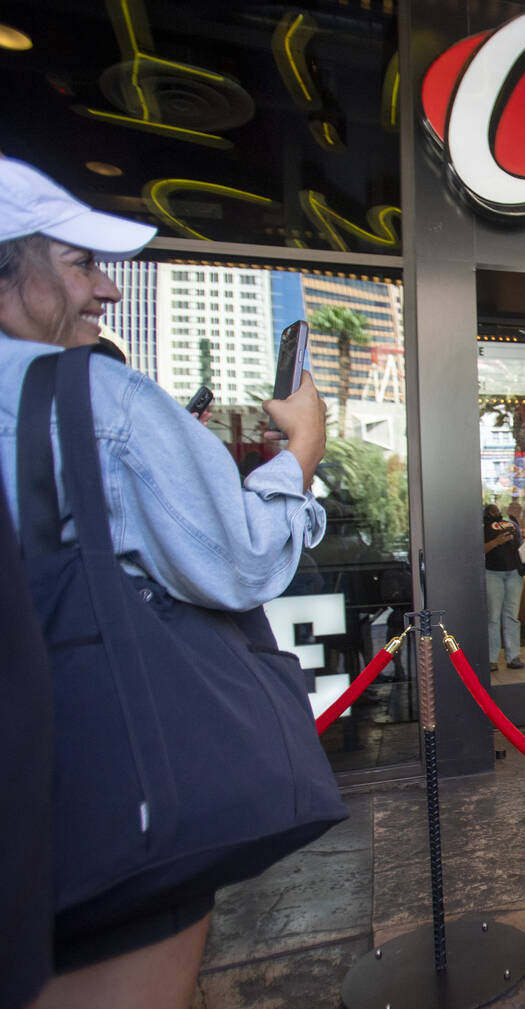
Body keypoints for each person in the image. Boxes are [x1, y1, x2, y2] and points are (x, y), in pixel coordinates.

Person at [0, 157, 330, 1009]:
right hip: (97, 793)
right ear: (10, 275)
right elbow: (241, 558)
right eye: (78, 263)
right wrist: (299, 454)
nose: (105, 290)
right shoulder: (95, 398)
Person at [483, 502, 525, 671]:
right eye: (491, 509)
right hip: (493, 573)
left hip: (514, 572)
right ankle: (491, 658)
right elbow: (477, 550)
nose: (495, 510)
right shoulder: (482, 526)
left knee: (512, 616)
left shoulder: (511, 524)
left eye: (496, 508)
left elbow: (520, 545)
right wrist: (496, 541)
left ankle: (513, 656)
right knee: (493, 617)